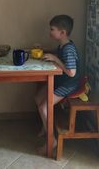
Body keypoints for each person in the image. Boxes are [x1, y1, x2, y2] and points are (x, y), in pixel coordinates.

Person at [34, 14, 80, 154]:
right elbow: (60, 57)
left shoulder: (68, 49)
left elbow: (71, 73)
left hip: (68, 85)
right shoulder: (63, 45)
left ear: (62, 32)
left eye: (52, 29)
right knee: (38, 97)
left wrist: (55, 59)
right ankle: (45, 125)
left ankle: (52, 140)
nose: (50, 32)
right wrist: (49, 54)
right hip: (60, 81)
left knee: (43, 107)